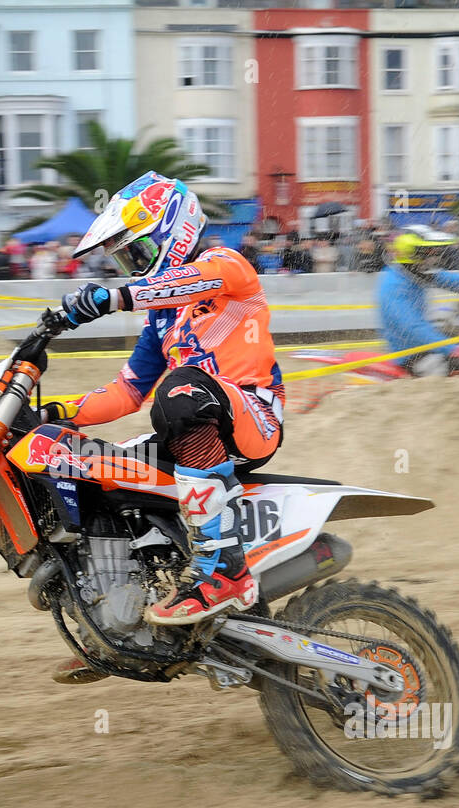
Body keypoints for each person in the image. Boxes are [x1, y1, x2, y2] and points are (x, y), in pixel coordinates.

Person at [49, 171, 283, 630]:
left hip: (250, 416)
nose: (133, 265)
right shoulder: (160, 322)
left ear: (173, 233)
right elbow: (126, 391)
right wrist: (55, 412)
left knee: (178, 390)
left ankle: (224, 569)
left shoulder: (226, 264)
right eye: (125, 260)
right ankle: (119, 623)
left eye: (138, 251)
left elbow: (181, 283)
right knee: (98, 471)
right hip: (190, 424)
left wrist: (114, 298)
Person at [376, 225, 459, 377]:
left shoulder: (416, 271)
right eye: (429, 253)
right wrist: (451, 349)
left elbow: (457, 282)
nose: (433, 257)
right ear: (414, 255)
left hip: (425, 342)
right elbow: (413, 328)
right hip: (409, 354)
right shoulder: (393, 287)